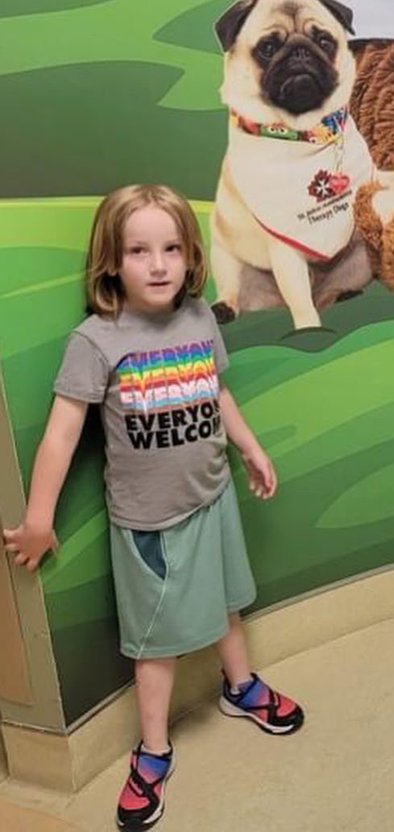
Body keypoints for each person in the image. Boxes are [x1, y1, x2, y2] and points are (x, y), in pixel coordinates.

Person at [3, 184, 303, 830]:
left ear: (190, 256)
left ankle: (240, 687)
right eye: (139, 251)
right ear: (112, 261)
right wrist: (39, 519)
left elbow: (215, 393)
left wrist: (249, 448)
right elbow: (62, 432)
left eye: (170, 249)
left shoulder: (198, 318)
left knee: (228, 602)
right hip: (150, 521)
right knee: (154, 644)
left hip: (212, 496)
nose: (159, 264)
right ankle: (154, 752)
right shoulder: (96, 340)